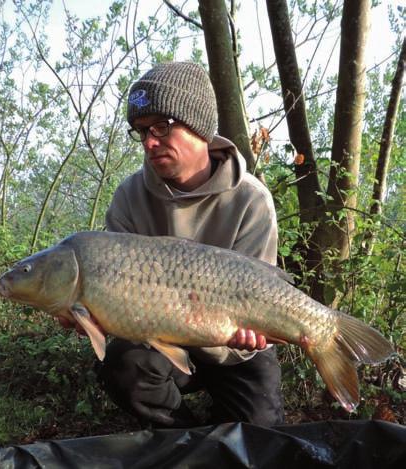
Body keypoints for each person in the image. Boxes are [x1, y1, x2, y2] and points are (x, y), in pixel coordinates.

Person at [60, 61, 284, 428]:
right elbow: (119, 309)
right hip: (159, 344)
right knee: (123, 364)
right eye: (142, 131)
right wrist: (89, 313)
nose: (149, 142)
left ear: (199, 128)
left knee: (260, 436)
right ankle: (182, 438)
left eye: (162, 127)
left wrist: (246, 333)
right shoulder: (129, 197)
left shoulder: (251, 200)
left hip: (234, 351)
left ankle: (223, 419)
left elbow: (259, 296)